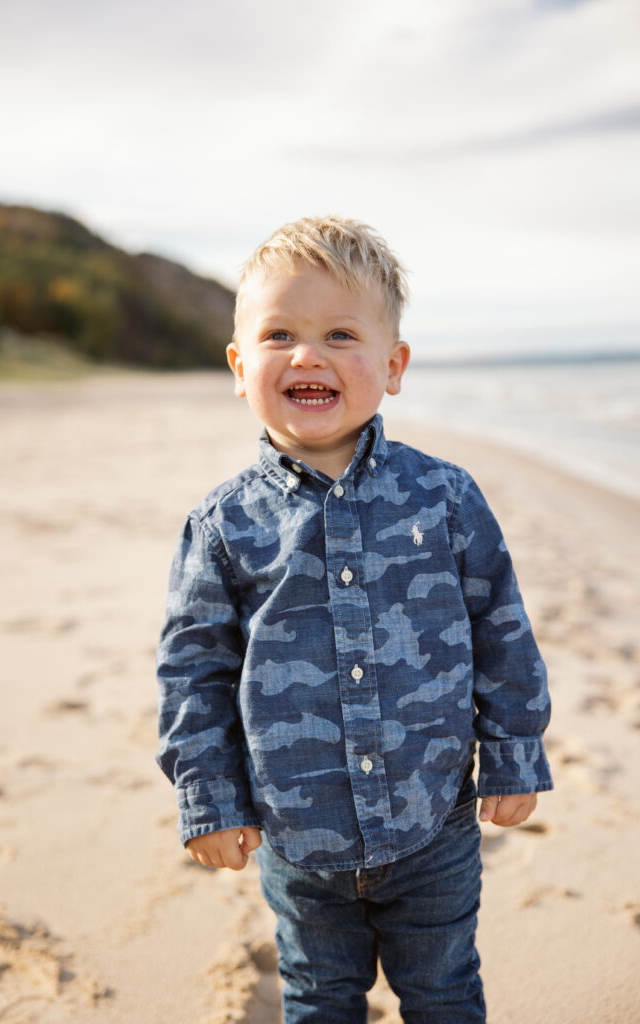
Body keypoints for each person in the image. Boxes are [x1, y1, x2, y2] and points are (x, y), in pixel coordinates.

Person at [156, 216, 553, 1023]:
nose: (308, 355)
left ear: (392, 365)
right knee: (317, 997)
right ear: (239, 367)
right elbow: (194, 669)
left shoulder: (444, 497)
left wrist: (514, 755)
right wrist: (209, 797)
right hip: (297, 834)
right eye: (279, 335)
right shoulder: (225, 526)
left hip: (431, 821)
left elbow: (500, 630)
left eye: (340, 333)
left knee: (444, 991)